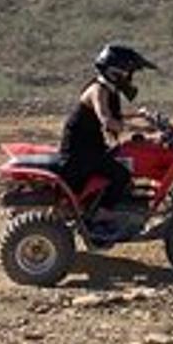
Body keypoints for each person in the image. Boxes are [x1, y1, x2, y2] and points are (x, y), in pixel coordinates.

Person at [59, 44, 156, 219]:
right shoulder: (98, 90)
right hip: (80, 153)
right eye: (128, 72)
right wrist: (140, 129)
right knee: (121, 174)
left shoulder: (108, 91)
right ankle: (102, 213)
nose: (129, 77)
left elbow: (115, 117)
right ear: (115, 72)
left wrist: (141, 116)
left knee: (126, 160)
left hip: (92, 147)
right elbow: (107, 120)